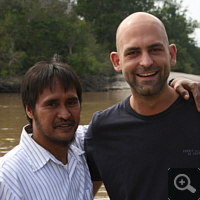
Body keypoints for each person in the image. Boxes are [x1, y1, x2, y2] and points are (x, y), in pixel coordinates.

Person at [84, 12, 200, 199]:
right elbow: (80, 192)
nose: (146, 62)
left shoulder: (197, 109)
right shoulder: (102, 130)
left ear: (171, 54)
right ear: (117, 61)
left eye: (155, 49)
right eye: (133, 53)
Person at [0, 61, 93, 200]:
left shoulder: (81, 146)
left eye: (71, 103)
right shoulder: (8, 179)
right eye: (52, 104)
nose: (65, 114)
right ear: (30, 110)